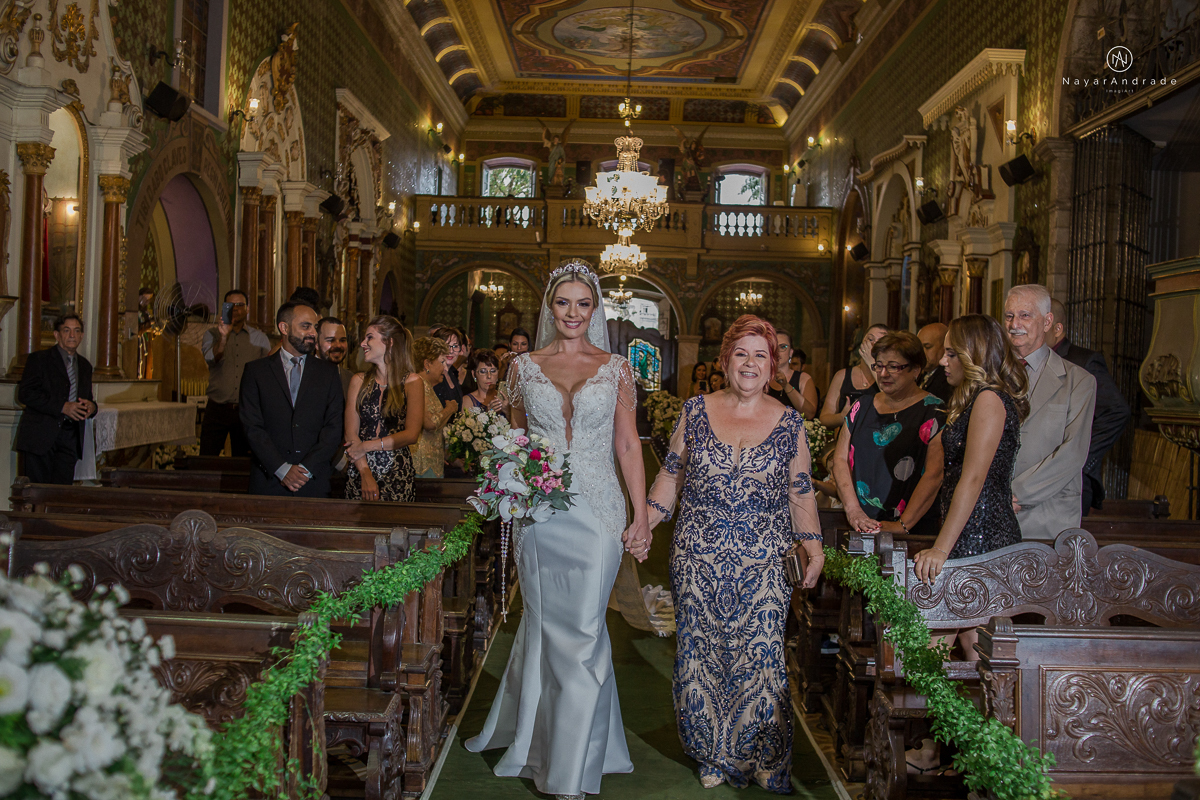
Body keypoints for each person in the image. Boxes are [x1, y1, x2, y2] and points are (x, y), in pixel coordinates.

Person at [465, 259, 652, 800]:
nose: (573, 313)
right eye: (564, 303)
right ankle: (548, 740)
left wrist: (640, 515)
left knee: (588, 632)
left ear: (595, 310)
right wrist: (511, 484)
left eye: (584, 304)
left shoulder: (617, 367)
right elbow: (516, 440)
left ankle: (571, 767)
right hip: (539, 514)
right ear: (551, 307)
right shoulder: (522, 367)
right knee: (547, 626)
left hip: (598, 510)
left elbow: (627, 444)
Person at [645, 314, 823, 791]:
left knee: (762, 655)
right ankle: (712, 754)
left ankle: (763, 755)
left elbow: (801, 491)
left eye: (760, 355)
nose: (750, 363)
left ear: (774, 366)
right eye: (741, 354)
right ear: (725, 361)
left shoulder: (790, 423)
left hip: (765, 559)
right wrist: (644, 522)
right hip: (697, 556)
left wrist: (814, 548)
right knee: (701, 653)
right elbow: (670, 475)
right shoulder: (695, 411)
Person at [907, 314, 1029, 774]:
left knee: (969, 654)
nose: (943, 359)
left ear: (975, 355)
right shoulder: (973, 398)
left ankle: (973, 754)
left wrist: (942, 548)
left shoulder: (991, 399)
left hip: (981, 538)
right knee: (957, 653)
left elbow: (974, 477)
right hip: (971, 532)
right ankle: (957, 751)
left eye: (952, 352)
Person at [1004, 285, 1096, 540]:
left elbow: (1073, 452)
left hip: (1047, 513)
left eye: (1025, 315)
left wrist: (1016, 493)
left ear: (1047, 322)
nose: (1014, 324)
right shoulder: (990, 375)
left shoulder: (1078, 381)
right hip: (990, 510)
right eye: (1009, 316)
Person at [832, 331, 945, 536]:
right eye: (879, 365)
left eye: (894, 367)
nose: (883, 374)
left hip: (912, 531)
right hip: (860, 524)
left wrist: (903, 525)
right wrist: (853, 511)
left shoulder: (934, 410)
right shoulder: (862, 406)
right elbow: (839, 460)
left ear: (916, 370)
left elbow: (934, 474)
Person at [239, 301, 345, 497]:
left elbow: (334, 427)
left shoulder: (328, 373)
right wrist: (282, 469)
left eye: (315, 327)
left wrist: (305, 469)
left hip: (313, 482)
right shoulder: (256, 372)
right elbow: (251, 426)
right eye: (305, 326)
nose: (313, 333)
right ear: (284, 327)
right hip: (269, 481)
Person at [1047, 299, 1131, 515]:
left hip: (1072, 482)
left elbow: (1117, 411)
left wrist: (1081, 453)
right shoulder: (1032, 363)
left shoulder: (1083, 362)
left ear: (1057, 328)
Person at [343, 316, 421, 502]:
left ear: (389, 342)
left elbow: (411, 434)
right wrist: (365, 474)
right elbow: (351, 433)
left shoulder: (412, 382)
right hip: (360, 469)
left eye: (369, 337)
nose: (363, 343)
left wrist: (366, 446)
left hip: (397, 472)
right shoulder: (358, 381)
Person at [16, 314, 97, 484]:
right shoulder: (39, 360)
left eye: (76, 331)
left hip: (70, 438)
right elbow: (25, 394)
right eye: (66, 330)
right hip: (40, 437)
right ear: (56, 335)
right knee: (36, 494)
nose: (72, 335)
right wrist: (62, 407)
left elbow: (87, 398)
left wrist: (92, 407)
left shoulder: (85, 366)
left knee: (61, 495)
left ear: (82, 336)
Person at [200, 290, 270, 456]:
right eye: (231, 305)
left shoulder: (259, 338)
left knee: (244, 461)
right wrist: (224, 337)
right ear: (225, 308)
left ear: (247, 309)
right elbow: (212, 358)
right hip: (217, 407)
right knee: (206, 458)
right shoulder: (211, 334)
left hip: (246, 410)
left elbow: (268, 372)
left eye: (240, 305)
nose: (236, 309)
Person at [819, 324, 888, 428]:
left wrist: (871, 364)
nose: (873, 344)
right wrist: (842, 417)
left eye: (879, 342)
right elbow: (824, 418)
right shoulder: (842, 375)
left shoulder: (889, 375)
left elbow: (892, 400)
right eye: (870, 339)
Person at [410, 336, 457, 478]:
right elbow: (429, 423)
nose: (445, 367)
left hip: (432, 464)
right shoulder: (418, 384)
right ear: (427, 364)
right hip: (421, 464)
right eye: (442, 362)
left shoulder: (428, 386)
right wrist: (450, 408)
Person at [766, 328, 819, 418]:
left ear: (791, 352)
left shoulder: (803, 378)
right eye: (773, 347)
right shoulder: (760, 377)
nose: (777, 352)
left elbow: (809, 414)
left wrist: (786, 385)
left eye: (783, 347)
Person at [429, 324, 466, 418]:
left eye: (455, 346)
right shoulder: (431, 373)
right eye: (446, 346)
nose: (451, 351)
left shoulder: (453, 372)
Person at [316, 316, 353, 398]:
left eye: (342, 340)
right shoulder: (302, 376)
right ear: (316, 344)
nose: (338, 345)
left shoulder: (351, 379)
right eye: (330, 340)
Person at [916, 322, 952, 403]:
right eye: (920, 347)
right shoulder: (919, 374)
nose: (922, 352)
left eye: (927, 347)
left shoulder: (949, 378)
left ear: (944, 347)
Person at [463, 349, 507, 413]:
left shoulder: (504, 398)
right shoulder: (467, 401)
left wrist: (507, 412)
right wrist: (488, 414)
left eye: (493, 371)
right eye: (483, 371)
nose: (489, 376)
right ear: (474, 374)